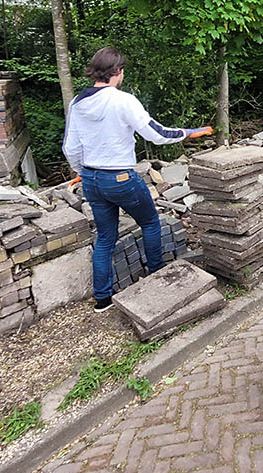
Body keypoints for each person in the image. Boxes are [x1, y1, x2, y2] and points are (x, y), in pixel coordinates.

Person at [63, 46, 213, 312]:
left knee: (105, 237)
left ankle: (102, 300)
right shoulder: (123, 100)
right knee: (150, 222)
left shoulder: (78, 102)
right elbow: (157, 133)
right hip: (120, 178)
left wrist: (80, 171)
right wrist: (188, 132)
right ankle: (156, 275)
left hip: (92, 180)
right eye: (122, 71)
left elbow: (70, 147)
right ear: (117, 72)